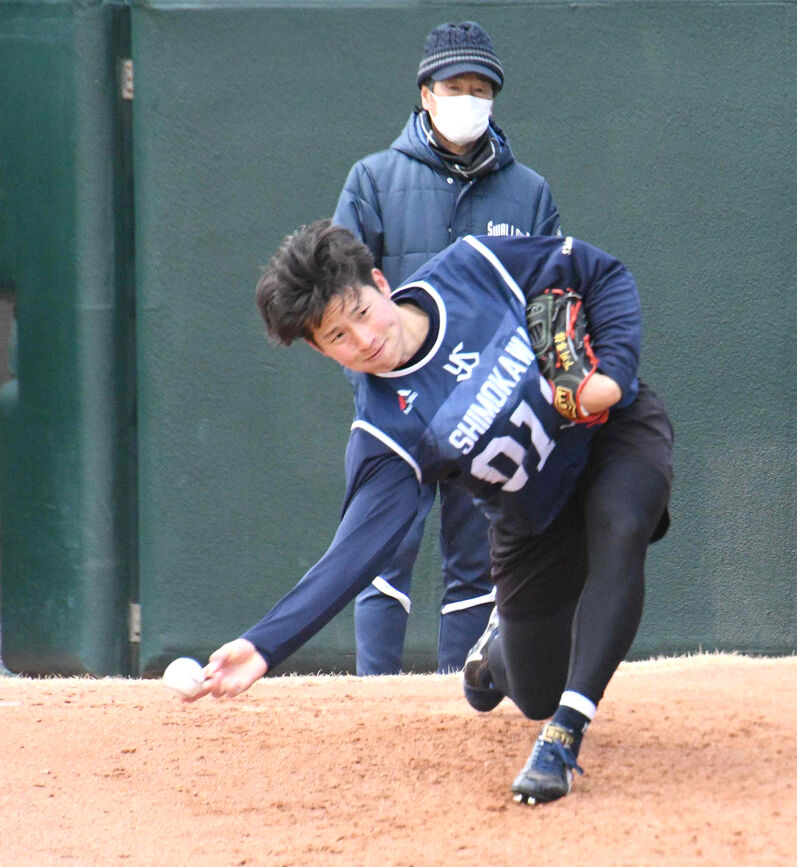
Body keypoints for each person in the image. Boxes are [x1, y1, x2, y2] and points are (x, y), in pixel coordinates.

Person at [192, 220, 672, 806]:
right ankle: (496, 656)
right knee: (536, 690)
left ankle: (563, 737)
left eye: (361, 313)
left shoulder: (475, 268)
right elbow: (356, 552)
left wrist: (614, 377)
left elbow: (599, 271)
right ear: (320, 351)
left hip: (611, 438)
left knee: (622, 525)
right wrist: (265, 644)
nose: (362, 339)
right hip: (534, 522)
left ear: (379, 281)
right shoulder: (386, 434)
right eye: (337, 337)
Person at [332, 21, 562, 675]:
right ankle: (376, 698)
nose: (469, 99)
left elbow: (544, 300)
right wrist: (372, 386)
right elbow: (341, 296)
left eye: (481, 89)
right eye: (455, 86)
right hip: (396, 407)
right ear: (426, 94)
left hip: (482, 407)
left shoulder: (530, 191)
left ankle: (454, 705)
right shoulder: (372, 179)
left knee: (474, 561)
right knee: (380, 548)